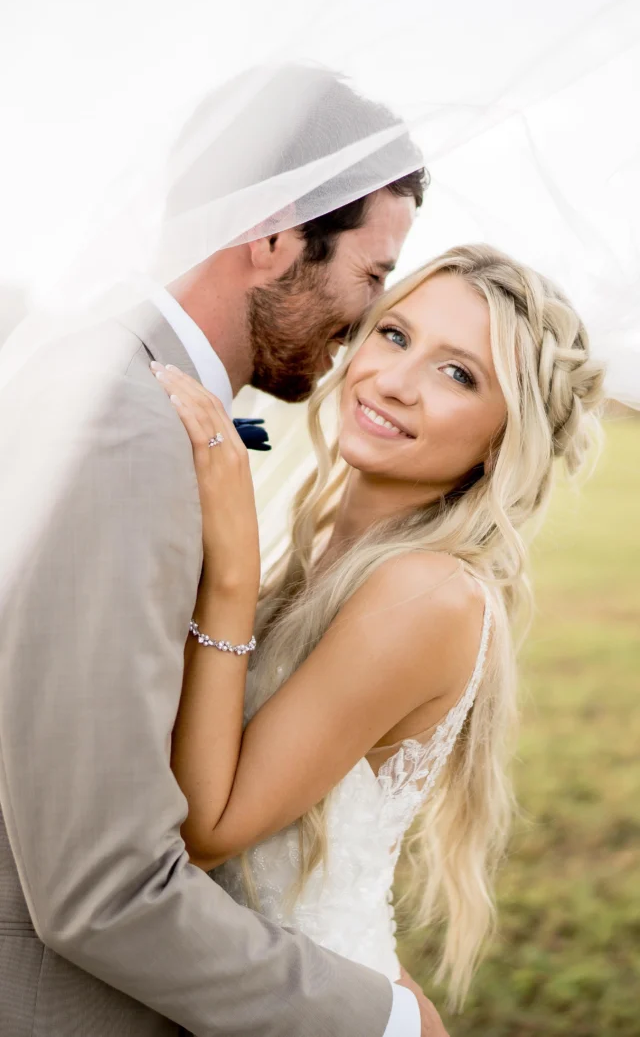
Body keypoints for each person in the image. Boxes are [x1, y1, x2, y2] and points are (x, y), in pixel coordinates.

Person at [0, 67, 441, 1036]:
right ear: (275, 235)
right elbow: (101, 888)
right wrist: (381, 1022)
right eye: (370, 275)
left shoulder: (105, 372)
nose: (366, 320)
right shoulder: (121, 424)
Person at [153, 243, 605, 1009]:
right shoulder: (333, 551)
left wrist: (230, 572)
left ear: (503, 441)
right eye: (395, 335)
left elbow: (209, 828)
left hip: (313, 1014)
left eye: (458, 374)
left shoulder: (428, 594)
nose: (393, 382)